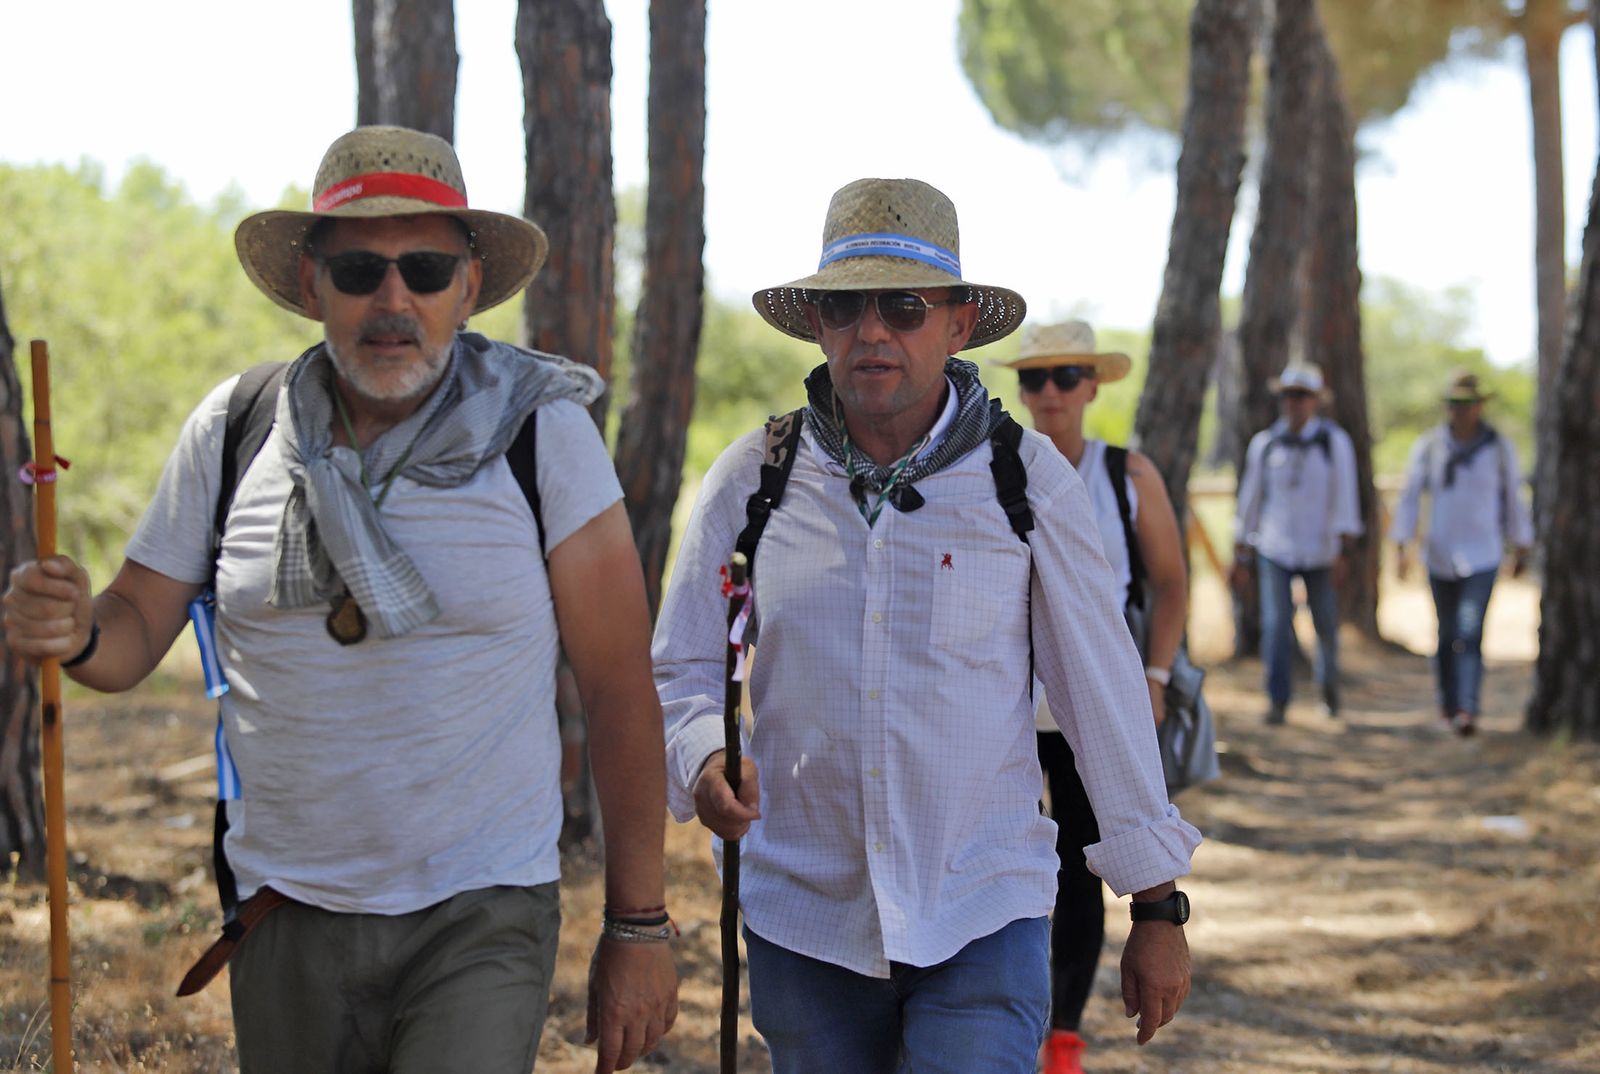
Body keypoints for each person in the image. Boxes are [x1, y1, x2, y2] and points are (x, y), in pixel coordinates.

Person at [1, 126, 677, 1074]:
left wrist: (639, 924)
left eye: (426, 270)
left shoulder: (543, 435)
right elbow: (133, 627)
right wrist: (73, 630)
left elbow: (619, 688)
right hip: (283, 912)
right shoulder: (237, 428)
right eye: (359, 269)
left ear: (469, 287)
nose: (393, 300)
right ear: (312, 283)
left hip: (479, 912)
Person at [651, 178, 1201, 1074]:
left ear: (957, 323)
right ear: (817, 324)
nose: (872, 332)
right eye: (845, 307)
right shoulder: (754, 479)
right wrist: (704, 759)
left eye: (904, 307)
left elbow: (1102, 697)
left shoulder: (1028, 482)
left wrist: (1156, 906)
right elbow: (681, 665)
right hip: (803, 914)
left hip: (982, 906)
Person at [1001, 320, 1189, 1074]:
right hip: (1009, 709)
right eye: (1035, 377)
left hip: (1092, 710)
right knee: (1012, 866)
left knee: (1082, 869)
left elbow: (1170, 582)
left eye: (1067, 375)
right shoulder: (993, 467)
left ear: (1093, 387)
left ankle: (1065, 1036)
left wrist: (1156, 677)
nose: (1050, 391)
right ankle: (1007, 1025)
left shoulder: (1125, 474)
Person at [1388, 370, 1533, 737]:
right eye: (1454, 404)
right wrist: (1401, 544)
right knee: (1445, 633)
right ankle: (1446, 704)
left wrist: (1521, 543)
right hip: (1440, 554)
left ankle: (1467, 709)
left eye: (1467, 404)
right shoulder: (1430, 446)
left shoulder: (1498, 449)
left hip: (1483, 554)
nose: (1460, 411)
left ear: (1479, 406)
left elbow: (1512, 499)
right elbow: (1410, 497)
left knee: (1469, 632)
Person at [1232, 360, 1362, 725]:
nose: (1295, 403)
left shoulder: (1333, 443)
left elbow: (1345, 497)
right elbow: (1251, 499)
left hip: (1321, 549)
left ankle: (1329, 689)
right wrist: (1241, 549)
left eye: (1302, 396)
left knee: (1325, 624)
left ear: (1315, 400)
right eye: (1289, 395)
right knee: (1276, 625)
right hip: (1275, 547)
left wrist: (1343, 549)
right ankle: (1277, 699)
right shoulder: (1266, 444)